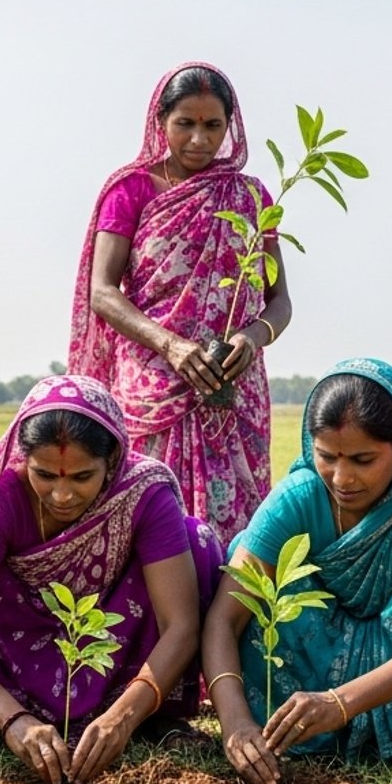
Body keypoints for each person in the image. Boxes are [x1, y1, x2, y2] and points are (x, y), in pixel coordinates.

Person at [203, 359, 392, 784]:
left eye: (363, 459)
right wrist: (234, 723)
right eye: (327, 457)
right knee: (252, 579)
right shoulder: (300, 495)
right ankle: (300, 731)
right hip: (320, 652)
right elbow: (224, 618)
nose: (342, 478)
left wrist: (339, 704)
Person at [0, 375, 224, 784]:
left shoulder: (142, 492)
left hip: (115, 636)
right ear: (23, 459)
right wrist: (15, 721)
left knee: (197, 543)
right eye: (44, 474)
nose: (61, 495)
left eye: (82, 477)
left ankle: (154, 719)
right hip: (20, 635)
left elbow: (181, 624)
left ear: (113, 459)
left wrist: (123, 717)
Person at [71, 61, 292, 546]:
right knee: (148, 524)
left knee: (237, 535)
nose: (199, 139)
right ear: (160, 122)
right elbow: (102, 292)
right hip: (153, 384)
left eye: (212, 126)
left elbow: (280, 302)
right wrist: (171, 346)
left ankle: (230, 620)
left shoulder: (252, 197)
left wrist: (251, 339)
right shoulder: (130, 190)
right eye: (185, 124)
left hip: (231, 387)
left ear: (230, 127)